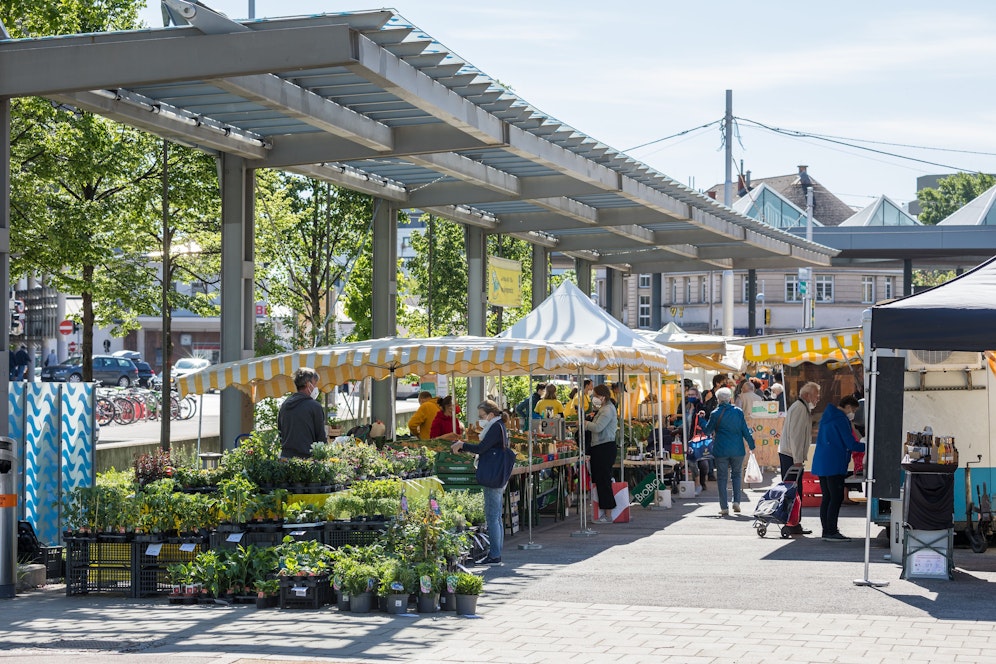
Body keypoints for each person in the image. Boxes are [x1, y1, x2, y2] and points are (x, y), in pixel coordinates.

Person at [451, 399, 511, 565]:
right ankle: (496, 553)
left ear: (491, 415)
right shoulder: (499, 426)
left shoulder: (495, 428)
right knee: (496, 516)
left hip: (493, 475)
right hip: (498, 474)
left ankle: (494, 554)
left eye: (482, 415)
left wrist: (462, 444)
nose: (481, 419)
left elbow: (481, 448)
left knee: (492, 516)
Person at [812, 396, 865, 542]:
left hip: (823, 462)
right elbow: (851, 444)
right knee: (836, 497)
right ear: (848, 407)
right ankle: (832, 531)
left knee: (827, 497)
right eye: (853, 410)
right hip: (834, 463)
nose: (853, 413)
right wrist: (870, 446)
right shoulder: (841, 419)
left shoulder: (828, 416)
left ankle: (826, 530)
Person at [697, 387, 755, 517]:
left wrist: (701, 419)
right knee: (737, 475)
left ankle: (724, 507)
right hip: (737, 449)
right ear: (730, 399)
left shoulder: (715, 413)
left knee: (722, 478)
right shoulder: (738, 412)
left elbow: (707, 431)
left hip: (721, 450)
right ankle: (737, 502)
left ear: (718, 399)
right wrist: (751, 444)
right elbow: (745, 430)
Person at [778, 381, 820, 535]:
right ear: (807, 395)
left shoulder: (800, 407)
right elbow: (795, 436)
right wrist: (797, 459)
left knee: (796, 491)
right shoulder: (800, 408)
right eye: (816, 395)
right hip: (790, 455)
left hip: (791, 454)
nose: (818, 398)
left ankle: (795, 522)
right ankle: (792, 522)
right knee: (793, 491)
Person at [586, 384, 619, 523]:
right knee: (601, 480)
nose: (593, 398)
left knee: (604, 481)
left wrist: (585, 423)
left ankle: (608, 514)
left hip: (604, 447)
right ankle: (605, 512)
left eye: (595, 395)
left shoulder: (607, 410)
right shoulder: (604, 408)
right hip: (600, 447)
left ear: (602, 397)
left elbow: (598, 427)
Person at [278, 367, 326, 458]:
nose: (316, 388)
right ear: (308, 384)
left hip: (286, 459)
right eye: (315, 384)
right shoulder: (314, 406)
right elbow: (321, 439)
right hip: (307, 461)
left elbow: (281, 434)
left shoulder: (284, 406)